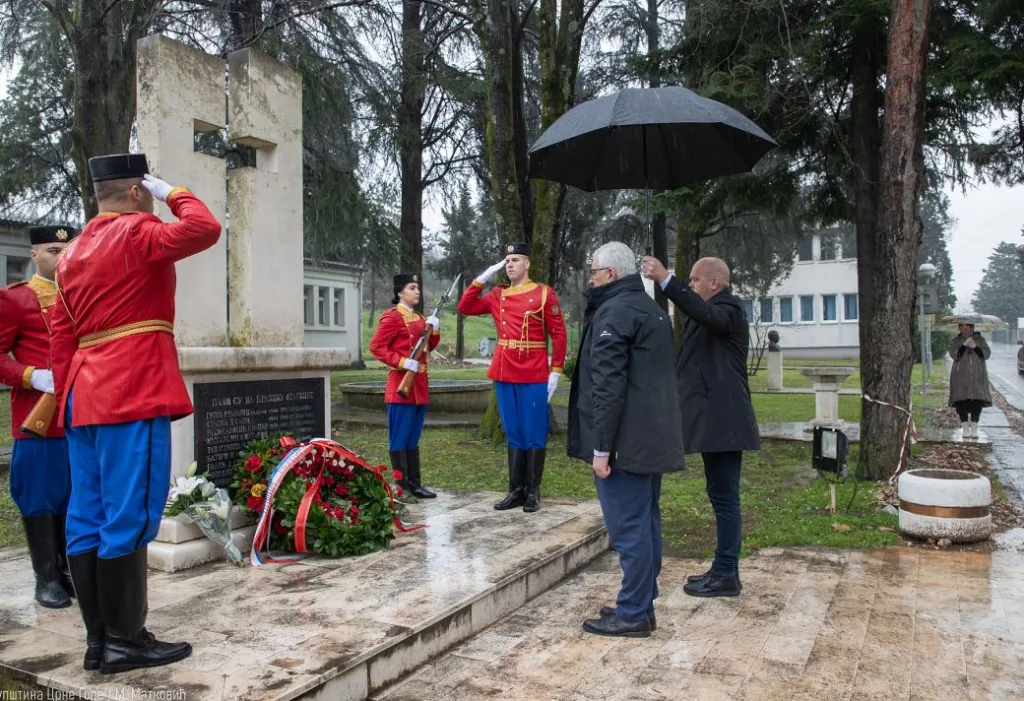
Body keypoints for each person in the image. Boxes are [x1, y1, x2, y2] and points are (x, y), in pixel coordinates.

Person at [49, 153, 221, 674]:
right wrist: (175, 191)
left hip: (83, 395)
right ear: (133, 191)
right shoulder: (137, 231)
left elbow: (61, 335)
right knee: (129, 512)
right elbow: (204, 228)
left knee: (87, 515)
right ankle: (127, 640)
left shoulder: (72, 251)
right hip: (130, 387)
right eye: (145, 189)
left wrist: (66, 400)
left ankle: (99, 640)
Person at [569, 242, 684, 638]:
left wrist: (602, 448)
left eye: (594, 272)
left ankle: (633, 611)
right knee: (646, 521)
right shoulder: (651, 309)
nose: (590, 279)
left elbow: (608, 386)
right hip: (650, 437)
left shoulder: (614, 312)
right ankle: (641, 601)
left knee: (629, 528)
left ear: (610, 275)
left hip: (625, 443)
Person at [642, 255, 760, 598]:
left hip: (725, 423)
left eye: (694, 280)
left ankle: (726, 573)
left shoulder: (729, 309)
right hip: (714, 424)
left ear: (714, 283)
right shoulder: (707, 315)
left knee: (725, 499)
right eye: (688, 281)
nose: (690, 285)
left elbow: (703, 312)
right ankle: (723, 568)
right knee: (720, 496)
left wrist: (667, 280)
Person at [0, 224, 78, 609]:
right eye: (52, 251)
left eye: (67, 250)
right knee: (39, 499)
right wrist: (31, 375)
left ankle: (67, 571)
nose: (61, 257)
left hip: (78, 414)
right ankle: (45, 577)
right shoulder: (15, 300)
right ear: (34, 255)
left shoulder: (80, 295)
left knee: (72, 496)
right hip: (38, 417)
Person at [458, 242, 567, 512]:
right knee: (514, 432)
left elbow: (559, 334)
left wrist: (555, 371)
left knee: (533, 432)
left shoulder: (543, 293)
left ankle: (533, 491)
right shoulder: (497, 294)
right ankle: (515, 490)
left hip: (532, 370)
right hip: (505, 369)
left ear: (527, 264)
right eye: (508, 261)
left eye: (516, 260)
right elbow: (465, 307)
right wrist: (481, 279)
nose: (510, 265)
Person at [369, 273, 441, 498]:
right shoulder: (391, 318)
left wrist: (434, 329)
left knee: (413, 438)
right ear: (400, 292)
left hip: (419, 387)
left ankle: (415, 484)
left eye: (417, 287)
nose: (417, 291)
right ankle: (401, 486)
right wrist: (401, 362)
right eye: (412, 287)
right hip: (401, 386)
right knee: (399, 438)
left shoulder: (420, 318)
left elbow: (427, 347)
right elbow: (376, 347)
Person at [948, 320, 991, 439]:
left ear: (972, 327)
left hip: (977, 374)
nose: (964, 328)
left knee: (977, 401)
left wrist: (975, 347)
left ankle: (975, 428)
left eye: (967, 325)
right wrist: (963, 345)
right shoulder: (955, 341)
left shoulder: (980, 339)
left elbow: (986, 355)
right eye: (961, 325)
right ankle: (965, 428)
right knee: (961, 401)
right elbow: (954, 355)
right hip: (960, 375)